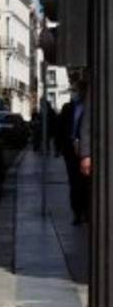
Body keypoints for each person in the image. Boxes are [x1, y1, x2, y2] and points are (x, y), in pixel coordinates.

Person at [56, 79, 90, 225]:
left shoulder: (90, 107)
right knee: (74, 183)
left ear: (83, 91)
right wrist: (59, 148)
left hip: (85, 150)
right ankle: (77, 213)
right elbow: (60, 128)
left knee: (86, 183)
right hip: (70, 150)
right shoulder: (67, 108)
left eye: (76, 90)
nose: (74, 93)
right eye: (73, 90)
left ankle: (87, 212)